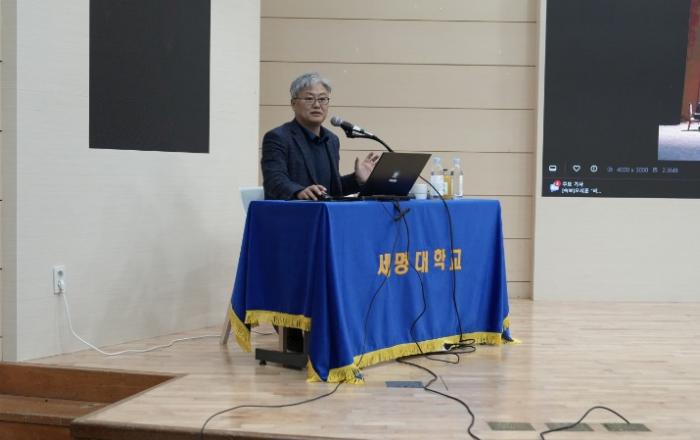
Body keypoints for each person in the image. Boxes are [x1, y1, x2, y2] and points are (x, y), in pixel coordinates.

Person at [261, 72, 380, 200]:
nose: (317, 105)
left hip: (324, 211)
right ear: (293, 104)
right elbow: (274, 181)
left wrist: (357, 179)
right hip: (292, 210)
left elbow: (333, 190)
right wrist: (299, 192)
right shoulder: (278, 137)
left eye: (322, 99)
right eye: (309, 99)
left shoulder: (331, 140)